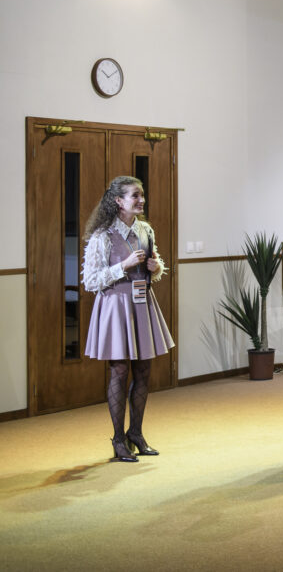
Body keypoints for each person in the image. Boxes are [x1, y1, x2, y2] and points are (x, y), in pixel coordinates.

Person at [83, 176, 174, 463]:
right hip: (115, 306)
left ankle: (136, 433)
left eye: (142, 195)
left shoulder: (146, 230)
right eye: (135, 195)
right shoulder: (102, 236)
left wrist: (155, 267)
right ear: (118, 201)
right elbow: (90, 281)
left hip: (141, 304)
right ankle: (118, 439)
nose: (141, 200)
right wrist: (124, 265)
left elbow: (154, 269)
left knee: (144, 370)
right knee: (120, 372)